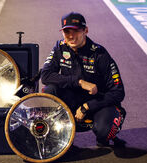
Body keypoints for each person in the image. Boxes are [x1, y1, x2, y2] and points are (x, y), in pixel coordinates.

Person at [41, 12, 126, 147]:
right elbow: (45, 76)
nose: (70, 36)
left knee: (105, 131)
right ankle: (61, 138)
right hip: (72, 100)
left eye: (75, 31)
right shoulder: (60, 47)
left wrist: (87, 107)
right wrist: (79, 82)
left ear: (85, 31)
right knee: (50, 89)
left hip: (97, 103)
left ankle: (105, 135)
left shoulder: (100, 54)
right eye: (66, 31)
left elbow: (118, 92)